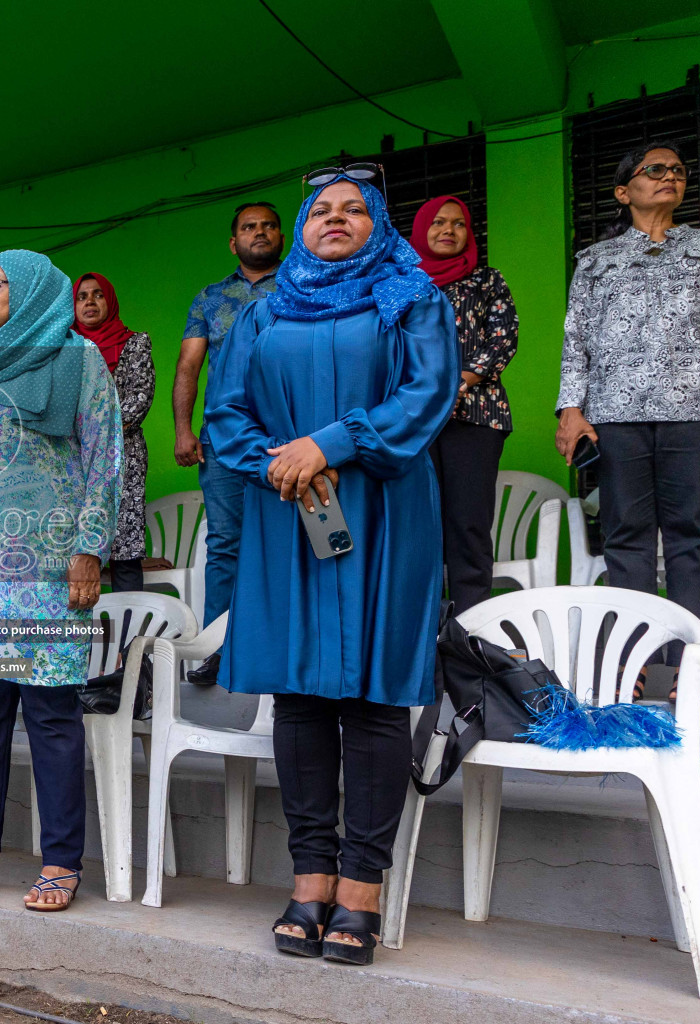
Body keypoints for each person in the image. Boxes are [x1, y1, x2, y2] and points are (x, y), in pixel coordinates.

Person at [205, 168, 456, 964]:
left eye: (354, 210)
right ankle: (309, 875)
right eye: (321, 211)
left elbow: (427, 395)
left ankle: (362, 887)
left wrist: (331, 444)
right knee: (301, 698)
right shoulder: (265, 311)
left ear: (379, 224)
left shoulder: (411, 298)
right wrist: (286, 465)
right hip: (291, 516)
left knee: (375, 698)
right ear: (302, 230)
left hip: (381, 513)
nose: (335, 220)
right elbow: (226, 412)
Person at [0, 250, 122, 912]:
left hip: (45, 573)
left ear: (34, 291)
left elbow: (104, 456)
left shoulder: (77, 360)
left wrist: (90, 548)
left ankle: (61, 860)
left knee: (50, 716)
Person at [557, 141, 700, 702]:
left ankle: (690, 662)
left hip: (695, 412)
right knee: (626, 538)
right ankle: (633, 660)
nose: (669, 177)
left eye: (678, 171)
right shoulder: (595, 261)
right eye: (654, 170)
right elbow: (576, 344)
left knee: (691, 536)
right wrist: (572, 409)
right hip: (617, 416)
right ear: (624, 191)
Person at [175, 202, 283, 683]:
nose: (259, 233)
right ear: (233, 241)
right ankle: (219, 651)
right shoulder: (209, 297)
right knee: (224, 544)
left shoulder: (302, 287)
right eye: (248, 227)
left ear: (282, 235)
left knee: (291, 540)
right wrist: (183, 428)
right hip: (223, 439)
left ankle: (282, 650)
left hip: (288, 440)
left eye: (267, 226)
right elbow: (188, 367)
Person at [410, 196, 518, 612]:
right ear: (420, 230)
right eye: (438, 223)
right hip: (414, 420)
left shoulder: (487, 280)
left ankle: (472, 628)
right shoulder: (403, 286)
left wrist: (461, 380)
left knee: (469, 524)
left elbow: (504, 336)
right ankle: (426, 633)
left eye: (458, 224)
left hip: (476, 414)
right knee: (420, 527)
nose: (448, 231)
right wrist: (422, 390)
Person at [72, 273, 153, 592]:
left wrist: (95, 430)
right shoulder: (64, 350)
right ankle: (80, 639)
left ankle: (130, 636)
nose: (89, 302)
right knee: (73, 549)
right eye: (81, 297)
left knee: (124, 548)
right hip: (74, 458)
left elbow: (140, 396)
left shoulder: (134, 342)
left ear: (110, 300)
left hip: (123, 457)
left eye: (97, 295)